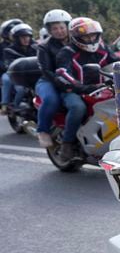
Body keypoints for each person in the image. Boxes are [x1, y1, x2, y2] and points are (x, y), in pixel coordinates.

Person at [54, 17, 119, 162]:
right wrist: (81, 87)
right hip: (74, 91)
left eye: (93, 35)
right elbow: (62, 74)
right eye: (86, 36)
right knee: (78, 108)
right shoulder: (67, 52)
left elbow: (119, 63)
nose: (90, 39)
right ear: (76, 37)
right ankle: (67, 144)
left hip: (101, 89)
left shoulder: (103, 49)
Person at [35, 9, 72, 148]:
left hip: (73, 80)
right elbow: (46, 71)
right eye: (55, 28)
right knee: (51, 99)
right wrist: (63, 83)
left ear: (68, 26)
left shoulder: (77, 41)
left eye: (62, 27)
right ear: (49, 30)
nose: (59, 31)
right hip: (48, 80)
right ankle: (43, 130)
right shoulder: (44, 46)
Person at [1, 23, 37, 114]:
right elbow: (8, 65)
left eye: (28, 36)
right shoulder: (9, 50)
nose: (26, 39)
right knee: (20, 89)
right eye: (23, 37)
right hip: (16, 74)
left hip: (32, 74)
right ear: (16, 38)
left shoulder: (35, 48)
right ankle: (12, 106)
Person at [0, 18, 22, 104]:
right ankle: (4, 103)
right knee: (6, 80)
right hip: (8, 71)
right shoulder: (2, 46)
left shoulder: (24, 44)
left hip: (24, 71)